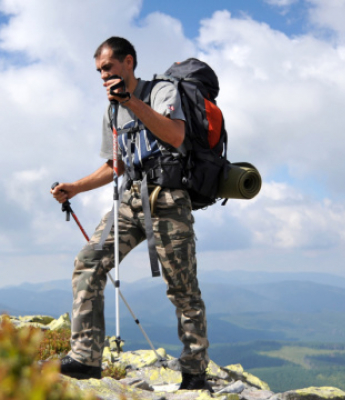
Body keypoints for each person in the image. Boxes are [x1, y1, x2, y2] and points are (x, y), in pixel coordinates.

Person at [51, 37, 210, 391]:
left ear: (128, 62)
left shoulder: (162, 92)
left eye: (108, 67)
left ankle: (195, 371)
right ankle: (85, 358)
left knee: (182, 287)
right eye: (99, 71)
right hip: (131, 199)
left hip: (168, 199)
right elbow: (115, 164)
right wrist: (75, 187)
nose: (103, 75)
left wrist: (130, 101)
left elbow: (174, 135)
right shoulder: (111, 110)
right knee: (88, 263)